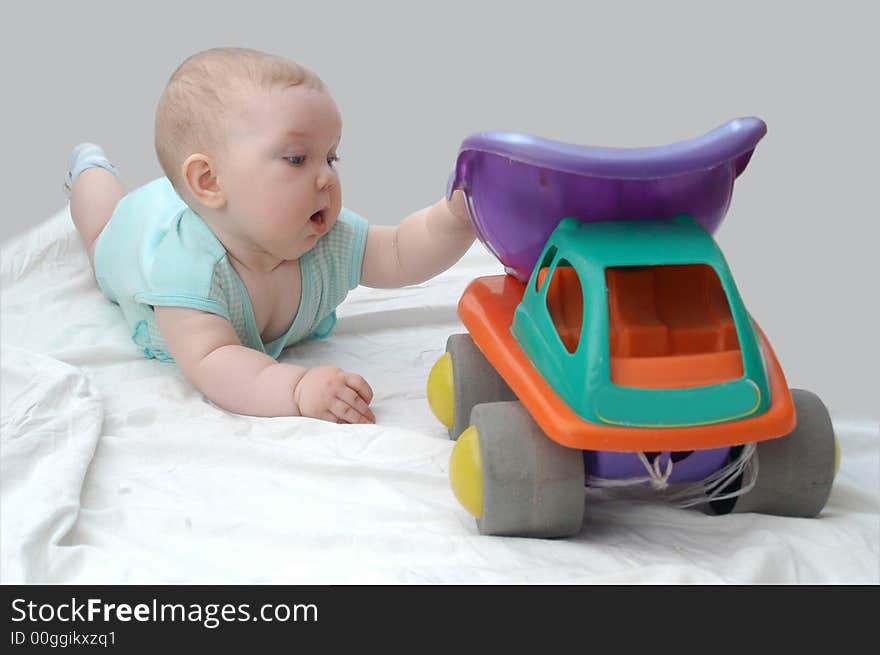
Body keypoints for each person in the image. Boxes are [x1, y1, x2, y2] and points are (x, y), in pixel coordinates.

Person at [65, 47, 475, 424]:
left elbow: (402, 252)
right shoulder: (185, 269)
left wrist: (456, 216)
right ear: (208, 180)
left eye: (331, 157)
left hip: (196, 207)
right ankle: (91, 168)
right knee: (100, 227)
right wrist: (297, 389)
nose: (326, 177)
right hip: (138, 231)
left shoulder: (326, 236)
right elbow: (216, 361)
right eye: (297, 159)